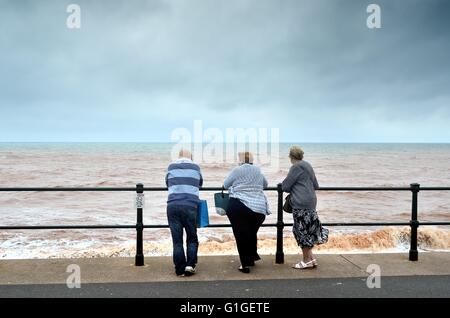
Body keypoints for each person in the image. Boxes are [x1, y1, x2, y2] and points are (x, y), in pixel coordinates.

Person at [282, 146, 328, 269]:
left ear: (291, 157)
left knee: (301, 231)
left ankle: (305, 261)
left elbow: (285, 187)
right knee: (308, 230)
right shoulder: (308, 165)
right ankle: (312, 259)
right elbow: (316, 185)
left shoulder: (295, 167)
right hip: (311, 202)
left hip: (300, 203)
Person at [223, 152, 269, 273]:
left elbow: (225, 184)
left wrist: (236, 187)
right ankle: (251, 258)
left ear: (240, 160)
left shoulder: (237, 170)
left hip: (240, 206)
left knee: (241, 235)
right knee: (251, 233)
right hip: (259, 209)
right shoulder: (257, 170)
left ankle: (245, 265)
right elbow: (265, 184)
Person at [165, 149, 203, 277]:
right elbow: (200, 184)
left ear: (178, 156)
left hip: (173, 205)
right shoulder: (196, 167)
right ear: (191, 157)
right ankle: (190, 265)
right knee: (192, 237)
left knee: (177, 240)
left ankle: (179, 268)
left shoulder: (171, 166)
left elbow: (167, 183)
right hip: (190, 205)